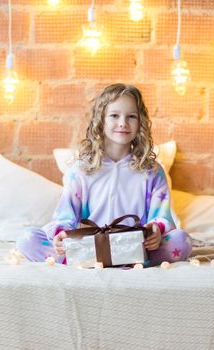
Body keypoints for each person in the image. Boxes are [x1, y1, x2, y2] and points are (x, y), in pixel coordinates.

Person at [16, 83, 192, 266]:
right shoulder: (81, 170)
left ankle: (129, 260)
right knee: (27, 239)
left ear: (140, 122)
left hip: (136, 247)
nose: (123, 123)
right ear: (102, 120)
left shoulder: (152, 171)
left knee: (181, 240)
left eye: (131, 116)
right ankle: (89, 259)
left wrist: (156, 229)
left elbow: (161, 216)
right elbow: (65, 216)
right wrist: (61, 234)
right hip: (89, 246)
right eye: (114, 115)